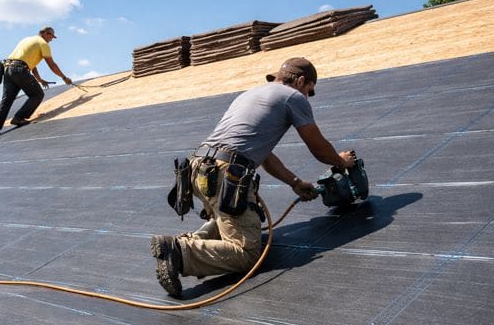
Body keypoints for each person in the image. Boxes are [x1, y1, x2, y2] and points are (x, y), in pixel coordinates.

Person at [151, 57, 355, 297]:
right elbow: (318, 148)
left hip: (197, 168)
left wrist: (295, 183)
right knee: (247, 253)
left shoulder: (252, 94)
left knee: (227, 216)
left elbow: (266, 157)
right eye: (310, 91)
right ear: (301, 81)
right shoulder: (294, 97)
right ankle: (181, 252)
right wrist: (342, 162)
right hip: (226, 172)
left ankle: (180, 246)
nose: (308, 97)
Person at [0, 26, 73, 137]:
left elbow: (31, 65)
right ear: (44, 33)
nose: (51, 39)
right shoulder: (43, 44)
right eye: (51, 36)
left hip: (8, 69)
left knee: (7, 99)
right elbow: (52, 65)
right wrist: (64, 77)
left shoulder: (27, 40)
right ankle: (18, 118)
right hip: (19, 69)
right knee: (37, 94)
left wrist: (40, 80)